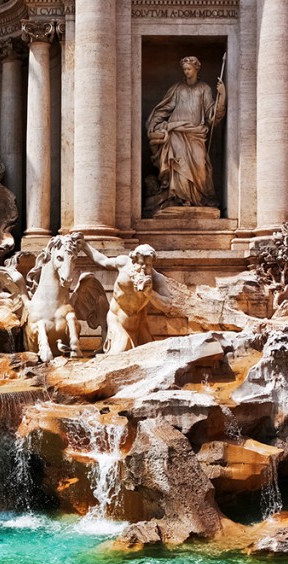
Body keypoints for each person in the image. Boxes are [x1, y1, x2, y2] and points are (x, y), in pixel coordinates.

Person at [145, 56, 226, 214]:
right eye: (184, 69)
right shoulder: (177, 88)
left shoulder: (204, 89)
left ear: (196, 69)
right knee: (178, 165)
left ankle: (198, 199)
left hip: (196, 134)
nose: (186, 72)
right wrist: (154, 125)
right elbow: (164, 109)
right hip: (176, 133)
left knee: (200, 165)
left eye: (189, 69)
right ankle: (180, 199)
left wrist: (222, 96)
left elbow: (212, 114)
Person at [85, 243, 173, 354]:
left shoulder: (157, 279)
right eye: (141, 263)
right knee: (119, 354)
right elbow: (102, 260)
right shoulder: (123, 263)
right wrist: (84, 246)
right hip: (117, 321)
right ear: (134, 261)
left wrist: (150, 293)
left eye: (148, 265)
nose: (144, 268)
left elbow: (167, 305)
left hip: (140, 325)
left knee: (151, 355)